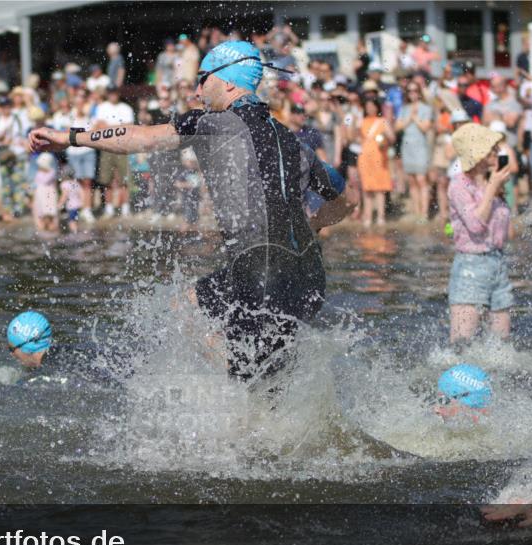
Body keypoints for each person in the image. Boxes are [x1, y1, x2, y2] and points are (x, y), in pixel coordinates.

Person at [28, 40, 357, 381]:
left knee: (251, 390)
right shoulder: (294, 141)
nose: (198, 89)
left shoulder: (212, 122)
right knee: (190, 309)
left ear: (228, 81)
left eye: (204, 78)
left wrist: (69, 137)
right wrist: (314, 225)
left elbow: (143, 137)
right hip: (308, 279)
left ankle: (230, 394)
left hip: (260, 276)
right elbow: (349, 199)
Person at [447, 122, 514, 344]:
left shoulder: (493, 181)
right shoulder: (458, 186)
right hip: (471, 266)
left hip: (498, 264)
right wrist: (493, 187)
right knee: (462, 344)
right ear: (477, 153)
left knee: (501, 348)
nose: (497, 151)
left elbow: (506, 230)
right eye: (492, 148)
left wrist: (495, 186)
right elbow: (476, 225)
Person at [94, 87, 135, 218]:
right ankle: (109, 208)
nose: (113, 95)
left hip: (122, 147)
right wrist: (118, 127)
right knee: (107, 179)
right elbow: (100, 126)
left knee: (125, 179)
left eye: (115, 93)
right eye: (110, 93)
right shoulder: (102, 107)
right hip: (107, 147)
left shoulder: (126, 108)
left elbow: (129, 128)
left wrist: (110, 127)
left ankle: (125, 208)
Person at [396, 82, 433, 220]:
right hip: (407, 146)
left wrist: (415, 118)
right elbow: (398, 126)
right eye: (410, 91)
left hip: (420, 146)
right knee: (411, 180)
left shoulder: (426, 108)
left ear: (419, 92)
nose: (412, 93)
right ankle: (417, 212)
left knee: (421, 179)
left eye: (415, 90)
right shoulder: (404, 108)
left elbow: (425, 127)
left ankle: (424, 213)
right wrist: (409, 118)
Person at [358, 96, 394, 227]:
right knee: (367, 189)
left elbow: (392, 138)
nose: (370, 108)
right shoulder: (362, 121)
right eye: (367, 106)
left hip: (379, 158)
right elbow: (354, 138)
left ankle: (380, 217)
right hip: (365, 158)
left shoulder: (382, 121)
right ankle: (367, 217)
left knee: (379, 189)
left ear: (377, 107)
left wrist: (385, 138)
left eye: (372, 106)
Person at [174, 147, 202, 230]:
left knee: (195, 218)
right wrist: (187, 184)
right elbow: (177, 183)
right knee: (186, 218)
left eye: (194, 162)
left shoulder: (197, 172)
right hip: (186, 200)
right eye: (190, 161)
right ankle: (184, 231)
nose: (192, 164)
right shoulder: (184, 173)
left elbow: (198, 184)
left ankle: (194, 233)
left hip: (195, 199)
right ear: (185, 162)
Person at [33, 152, 59, 232]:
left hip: (49, 194)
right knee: (41, 213)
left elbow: (45, 181)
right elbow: (36, 185)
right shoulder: (38, 173)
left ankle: (54, 228)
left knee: (52, 213)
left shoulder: (52, 172)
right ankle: (41, 229)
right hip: (40, 195)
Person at [58, 165, 83, 233]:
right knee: (76, 220)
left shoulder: (64, 184)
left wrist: (60, 204)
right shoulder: (76, 183)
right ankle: (77, 231)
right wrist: (82, 203)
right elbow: (81, 193)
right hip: (78, 205)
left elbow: (64, 195)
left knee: (71, 221)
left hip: (71, 206)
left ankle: (74, 233)